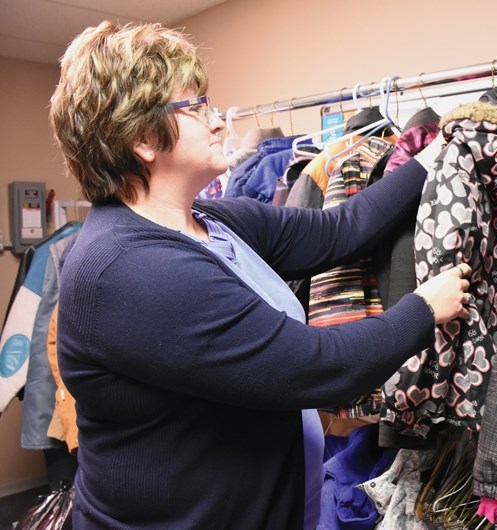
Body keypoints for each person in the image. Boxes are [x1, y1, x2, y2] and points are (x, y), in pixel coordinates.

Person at [49, 21, 471, 529]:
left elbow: (341, 228)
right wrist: (425, 308)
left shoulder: (214, 221)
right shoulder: (127, 270)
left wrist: (433, 158)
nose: (219, 121)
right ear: (141, 137)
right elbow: (317, 366)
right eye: (196, 106)